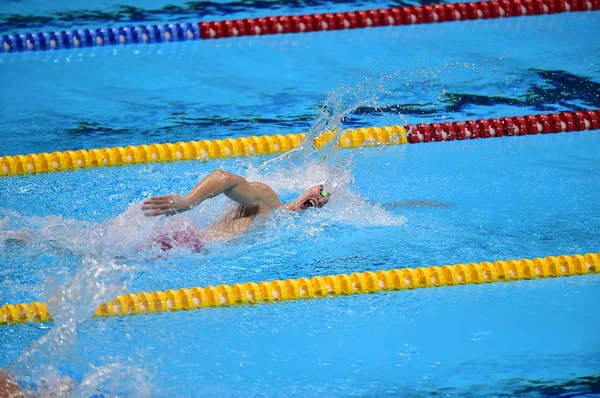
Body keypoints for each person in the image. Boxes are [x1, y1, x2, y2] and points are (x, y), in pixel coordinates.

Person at [141, 169, 331, 251]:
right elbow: (225, 178)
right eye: (323, 190)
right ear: (310, 186)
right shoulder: (269, 200)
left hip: (188, 248)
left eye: (326, 201)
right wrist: (190, 201)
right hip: (184, 244)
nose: (321, 199)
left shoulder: (284, 225)